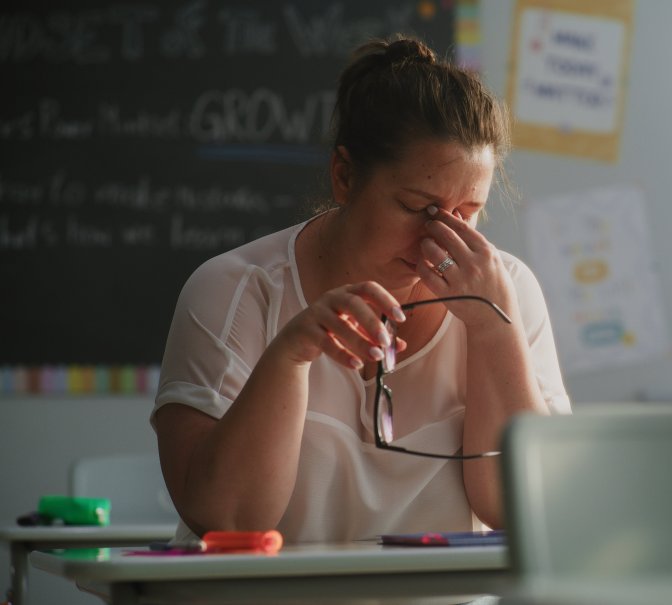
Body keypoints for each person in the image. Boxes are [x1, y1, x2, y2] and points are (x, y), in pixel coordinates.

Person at [152, 35, 570, 545]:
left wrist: (493, 330)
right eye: (418, 208)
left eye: (468, 212)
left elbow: (524, 510)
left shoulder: (507, 289)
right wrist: (291, 355)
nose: (442, 238)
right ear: (345, 177)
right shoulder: (234, 290)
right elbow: (229, 519)